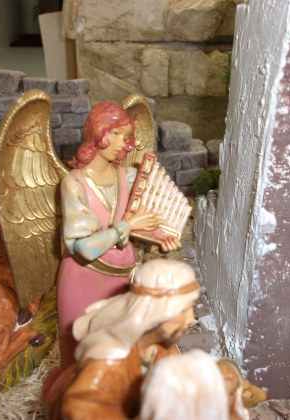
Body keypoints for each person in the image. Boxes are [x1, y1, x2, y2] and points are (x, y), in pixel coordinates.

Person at [57, 102, 180, 369]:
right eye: (115, 133)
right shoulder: (74, 183)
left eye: (125, 137)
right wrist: (128, 226)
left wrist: (160, 237)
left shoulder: (129, 177)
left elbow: (143, 221)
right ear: (98, 131)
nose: (122, 143)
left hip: (122, 281)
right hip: (84, 280)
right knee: (82, 360)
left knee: (121, 357)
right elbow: (84, 248)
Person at [46, 259, 200, 419]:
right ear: (156, 312)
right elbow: (79, 407)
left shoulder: (161, 349)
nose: (191, 320)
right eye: (183, 310)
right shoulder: (110, 359)